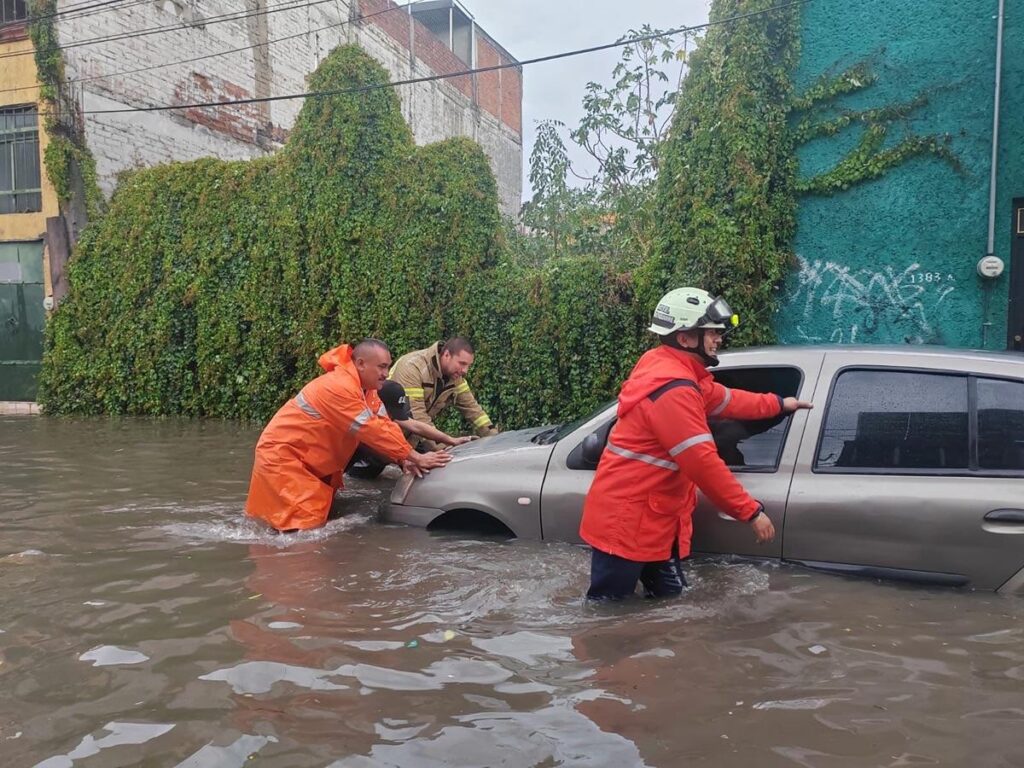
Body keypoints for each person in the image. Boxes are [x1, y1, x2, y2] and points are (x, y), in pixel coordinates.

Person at [579, 287, 813, 600]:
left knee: (671, 602)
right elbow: (702, 463)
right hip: (627, 525)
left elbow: (727, 400)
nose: (719, 338)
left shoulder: (674, 371)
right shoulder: (673, 391)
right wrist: (751, 513)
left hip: (652, 523)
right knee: (606, 615)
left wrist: (780, 404)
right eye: (712, 332)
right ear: (686, 338)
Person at [245, 339, 451, 532]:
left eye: (387, 367)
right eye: (381, 367)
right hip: (286, 460)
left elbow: (385, 426)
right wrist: (414, 456)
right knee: (303, 537)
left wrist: (402, 459)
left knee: (301, 530)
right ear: (360, 364)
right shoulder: (340, 387)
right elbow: (372, 430)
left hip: (306, 463)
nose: (386, 374)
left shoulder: (366, 392)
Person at [345, 380, 475, 479]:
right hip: (350, 459)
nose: (391, 418)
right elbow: (376, 443)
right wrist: (412, 458)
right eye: (390, 413)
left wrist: (451, 440)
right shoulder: (362, 416)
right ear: (379, 404)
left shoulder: (384, 410)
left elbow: (415, 425)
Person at [388, 337, 498, 450]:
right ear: (446, 355)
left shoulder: (455, 378)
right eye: (462, 363)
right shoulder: (412, 367)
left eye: (468, 366)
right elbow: (416, 414)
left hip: (410, 440)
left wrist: (494, 437)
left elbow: (472, 408)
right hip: (385, 437)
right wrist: (442, 446)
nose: (465, 371)